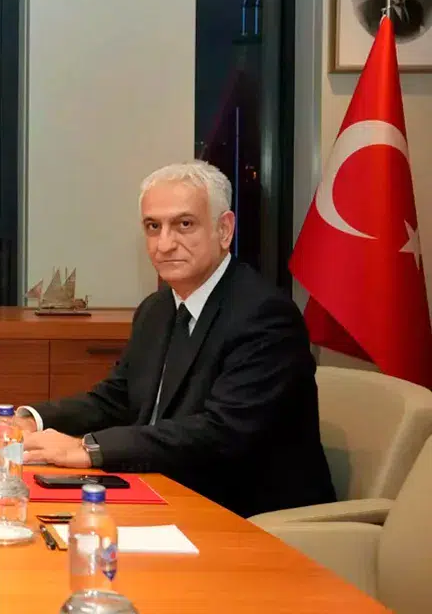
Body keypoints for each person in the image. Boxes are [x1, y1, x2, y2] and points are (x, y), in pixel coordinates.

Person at [17, 160, 336, 518]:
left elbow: (222, 432)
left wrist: (88, 448)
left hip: (245, 515)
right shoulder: (156, 309)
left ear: (224, 230)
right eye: (153, 227)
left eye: (184, 224)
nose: (165, 244)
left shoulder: (264, 315)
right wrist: (31, 419)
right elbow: (118, 398)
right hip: (164, 489)